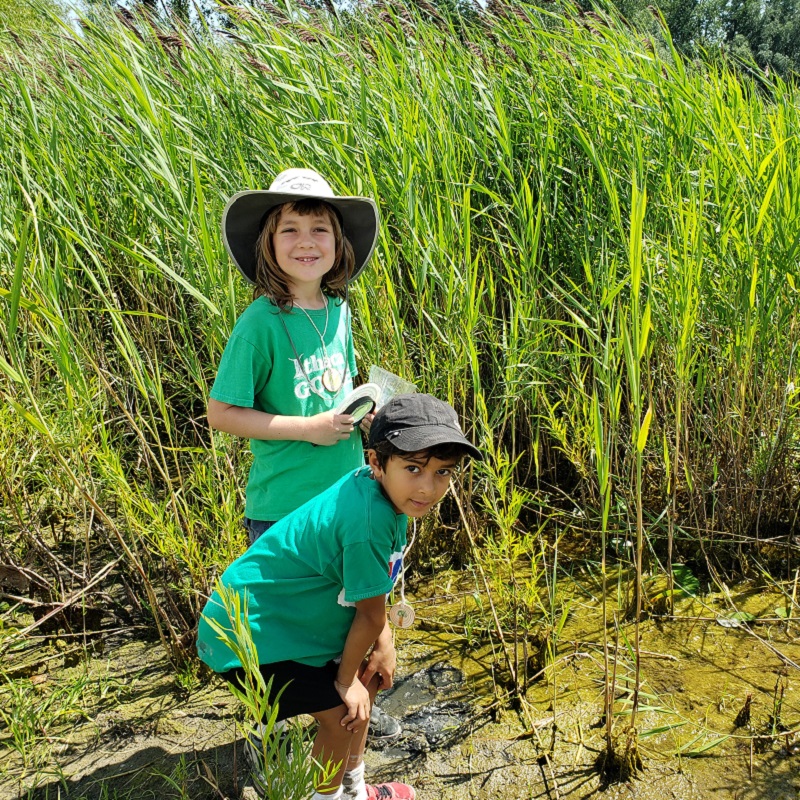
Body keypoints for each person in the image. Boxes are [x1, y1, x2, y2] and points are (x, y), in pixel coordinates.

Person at [197, 394, 482, 800]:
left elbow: (373, 607)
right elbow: (368, 616)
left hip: (282, 621)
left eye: (443, 472)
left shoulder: (375, 492)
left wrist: (379, 648)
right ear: (376, 461)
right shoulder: (368, 521)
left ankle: (355, 789)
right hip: (246, 636)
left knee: (368, 682)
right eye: (414, 468)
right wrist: (345, 681)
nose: (427, 487)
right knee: (342, 712)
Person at [208, 167, 400, 739]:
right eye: (290, 229)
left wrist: (359, 413)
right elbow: (222, 413)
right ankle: (313, 738)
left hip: (345, 499)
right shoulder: (260, 323)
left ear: (339, 245)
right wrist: (308, 427)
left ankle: (345, 727)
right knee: (303, 631)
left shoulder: (338, 309)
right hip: (286, 509)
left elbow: (331, 389)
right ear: (269, 244)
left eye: (320, 228)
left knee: (352, 617)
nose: (306, 242)